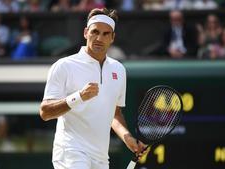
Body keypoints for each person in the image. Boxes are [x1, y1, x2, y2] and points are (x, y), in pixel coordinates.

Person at [40, 8, 147, 169]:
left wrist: (128, 138)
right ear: (85, 33)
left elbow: (115, 114)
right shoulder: (63, 66)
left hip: (101, 157)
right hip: (71, 151)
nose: (99, 38)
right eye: (95, 32)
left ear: (112, 38)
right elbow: (45, 112)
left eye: (105, 34)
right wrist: (78, 97)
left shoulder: (119, 69)